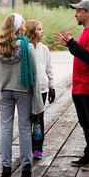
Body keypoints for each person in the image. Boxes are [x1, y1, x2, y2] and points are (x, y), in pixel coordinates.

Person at [54, 0, 89, 170]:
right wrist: (71, 46)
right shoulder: (86, 32)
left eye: (78, 11)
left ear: (88, 12)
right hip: (80, 85)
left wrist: (71, 43)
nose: (75, 14)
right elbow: (82, 53)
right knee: (85, 122)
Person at [0, 13, 44, 177]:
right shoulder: (27, 47)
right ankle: (26, 165)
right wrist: (38, 102)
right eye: (22, 23)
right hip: (23, 90)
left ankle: (6, 168)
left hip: (4, 91)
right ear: (20, 27)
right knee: (24, 127)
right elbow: (35, 76)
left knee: (5, 129)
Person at [24, 19, 56, 159]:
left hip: (42, 89)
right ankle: (26, 147)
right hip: (27, 89)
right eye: (39, 29)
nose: (42, 31)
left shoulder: (44, 49)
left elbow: (49, 69)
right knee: (26, 119)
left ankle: (37, 148)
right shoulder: (24, 47)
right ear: (31, 31)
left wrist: (52, 87)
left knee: (39, 119)